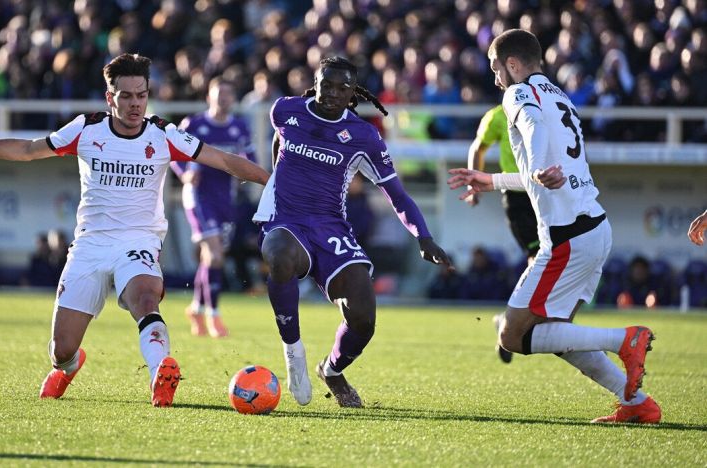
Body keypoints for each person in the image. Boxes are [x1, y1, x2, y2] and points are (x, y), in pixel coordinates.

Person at [0, 53, 269, 407]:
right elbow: (30, 150)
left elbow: (225, 160)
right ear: (111, 98)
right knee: (60, 350)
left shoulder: (164, 134)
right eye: (126, 96)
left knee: (145, 297)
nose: (135, 103)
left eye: (141, 95)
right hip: (91, 245)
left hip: (139, 240)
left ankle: (161, 372)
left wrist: (271, 180)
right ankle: (69, 365)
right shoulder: (86, 129)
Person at [447, 30, 660, 424]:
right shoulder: (559, 96)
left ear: (512, 65)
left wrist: (543, 165)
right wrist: (492, 180)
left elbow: (531, 131)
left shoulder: (518, 94)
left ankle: (624, 339)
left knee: (511, 335)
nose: (495, 79)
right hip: (595, 229)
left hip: (568, 239)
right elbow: (539, 173)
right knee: (557, 333)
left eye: (496, 69)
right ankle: (637, 404)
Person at [254, 56, 453, 408]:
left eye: (342, 88)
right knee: (278, 253)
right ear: (315, 82)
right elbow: (279, 142)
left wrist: (422, 236)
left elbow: (397, 194)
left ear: (352, 94)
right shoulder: (285, 110)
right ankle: (293, 352)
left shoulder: (363, 136)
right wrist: (276, 184)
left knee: (363, 317)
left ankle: (331, 369)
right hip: (288, 219)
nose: (332, 93)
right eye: (326, 84)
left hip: (331, 225)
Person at [171, 77, 256, 338]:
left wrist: (248, 173)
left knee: (212, 258)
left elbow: (251, 157)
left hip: (225, 198)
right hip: (198, 195)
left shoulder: (239, 128)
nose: (223, 99)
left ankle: (196, 308)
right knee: (216, 255)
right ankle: (214, 316)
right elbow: (175, 153)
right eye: (219, 95)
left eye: (228, 95)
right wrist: (185, 173)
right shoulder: (195, 124)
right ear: (209, 97)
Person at [465, 104, 539, 364]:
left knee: (552, 259)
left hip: (544, 194)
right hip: (517, 196)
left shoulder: (540, 108)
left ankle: (513, 322)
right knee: (538, 259)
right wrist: (474, 185)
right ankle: (511, 323)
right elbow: (479, 147)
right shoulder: (497, 116)